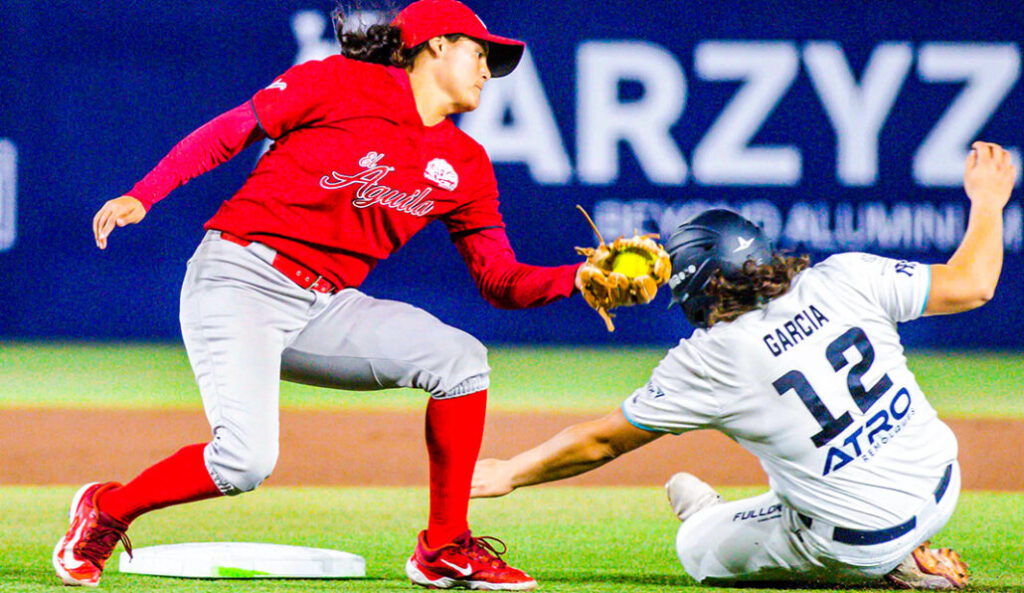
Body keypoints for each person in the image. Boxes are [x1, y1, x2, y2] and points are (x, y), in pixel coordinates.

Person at [53, 1, 583, 589]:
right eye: (480, 53)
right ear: (435, 44)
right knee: (244, 463)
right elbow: (231, 131)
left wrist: (579, 280)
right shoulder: (340, 80)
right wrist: (144, 195)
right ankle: (108, 509)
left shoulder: (466, 164)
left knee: (461, 361)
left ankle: (445, 546)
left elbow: (500, 281)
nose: (488, 71)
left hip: (323, 304)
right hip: (238, 279)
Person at [471, 142, 1017, 590]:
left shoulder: (713, 356)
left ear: (698, 292)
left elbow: (602, 442)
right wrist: (989, 201)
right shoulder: (843, 277)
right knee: (807, 480)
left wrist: (509, 473)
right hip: (945, 483)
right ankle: (885, 542)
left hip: (858, 539)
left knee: (697, 550)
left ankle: (877, 561)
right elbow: (973, 284)